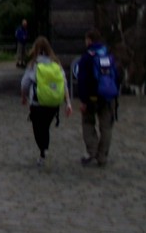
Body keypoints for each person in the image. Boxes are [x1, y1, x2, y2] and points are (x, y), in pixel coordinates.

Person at [20, 36, 72, 167]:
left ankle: (43, 151)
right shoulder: (56, 63)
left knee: (38, 128)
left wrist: (24, 96)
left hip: (37, 103)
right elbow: (64, 83)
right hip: (53, 103)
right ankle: (44, 150)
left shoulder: (34, 64)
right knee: (45, 127)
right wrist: (68, 103)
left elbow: (25, 83)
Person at [74, 28, 119, 167]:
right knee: (106, 127)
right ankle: (102, 156)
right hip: (108, 96)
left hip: (92, 97)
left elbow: (82, 80)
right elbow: (116, 76)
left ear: (89, 40)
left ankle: (92, 150)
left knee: (88, 123)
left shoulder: (87, 57)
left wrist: (83, 100)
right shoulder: (108, 55)